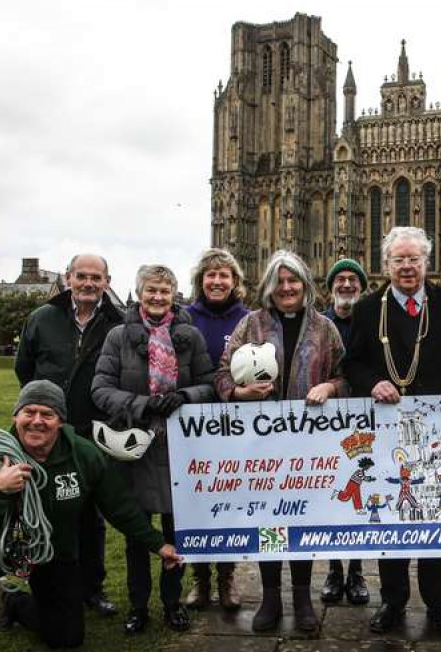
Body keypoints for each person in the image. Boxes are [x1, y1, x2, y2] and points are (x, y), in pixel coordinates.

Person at [0, 380, 182, 652]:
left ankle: (12, 603)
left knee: (67, 637)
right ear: (16, 416)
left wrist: (157, 543)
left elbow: (119, 507)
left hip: (53, 551)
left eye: (47, 414)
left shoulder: (84, 455)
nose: (37, 421)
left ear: (60, 421)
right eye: (29, 412)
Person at [344, 226, 441, 636]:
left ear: (427, 262)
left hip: (438, 431)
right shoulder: (369, 309)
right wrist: (373, 381)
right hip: (388, 429)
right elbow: (352, 363)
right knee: (392, 515)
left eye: (414, 259)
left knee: (439, 514)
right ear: (386, 264)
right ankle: (393, 600)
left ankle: (438, 602)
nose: (407, 266)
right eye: (399, 260)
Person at [213, 249, 346, 633]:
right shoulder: (250, 326)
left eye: (294, 281)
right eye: (280, 282)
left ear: (305, 285)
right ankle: (271, 596)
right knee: (270, 518)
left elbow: (345, 375)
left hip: (308, 443)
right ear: (270, 287)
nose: (287, 288)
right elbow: (222, 373)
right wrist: (238, 394)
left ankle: (302, 597)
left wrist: (330, 386)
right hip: (262, 444)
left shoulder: (325, 328)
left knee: (301, 516)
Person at [92, 265, 216, 634]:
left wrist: (183, 396)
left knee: (176, 532)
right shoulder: (118, 336)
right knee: (136, 533)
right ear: (140, 293)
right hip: (135, 447)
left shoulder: (189, 336)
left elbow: (209, 385)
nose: (158, 297)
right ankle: (138, 606)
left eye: (164, 291)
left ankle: (172, 603)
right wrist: (142, 404)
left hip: (179, 448)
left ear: (174, 294)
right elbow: (100, 388)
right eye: (151, 291)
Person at [14, 253, 124, 617]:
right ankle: (45, 584)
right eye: (82, 276)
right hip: (47, 435)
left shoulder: (116, 323)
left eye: (96, 277)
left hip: (92, 433)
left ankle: (92, 589)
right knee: (44, 511)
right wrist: (41, 416)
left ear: (107, 282)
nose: (88, 283)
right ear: (68, 278)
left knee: (91, 516)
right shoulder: (42, 318)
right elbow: (25, 370)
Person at [183, 248, 250, 612]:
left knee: (230, 502)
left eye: (224, 275)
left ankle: (226, 577)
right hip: (193, 422)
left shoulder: (249, 319)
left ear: (235, 281)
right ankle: (200, 578)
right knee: (195, 502)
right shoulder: (184, 317)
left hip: (235, 424)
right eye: (211, 275)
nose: (217, 281)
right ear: (201, 281)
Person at [319, 257, 371, 606]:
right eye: (341, 280)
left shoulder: (373, 321)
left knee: (362, 495)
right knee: (329, 494)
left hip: (366, 418)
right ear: (331, 287)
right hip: (327, 419)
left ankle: (356, 570)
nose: (347, 285)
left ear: (362, 287)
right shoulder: (320, 324)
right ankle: (334, 569)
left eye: (354, 280)